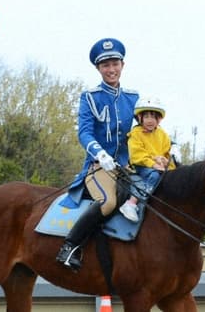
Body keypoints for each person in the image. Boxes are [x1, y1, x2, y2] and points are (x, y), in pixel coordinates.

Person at [55, 38, 139, 270]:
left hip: (128, 166)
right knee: (108, 202)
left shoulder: (133, 98)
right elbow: (84, 132)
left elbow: (144, 129)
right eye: (105, 65)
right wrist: (100, 154)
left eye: (115, 64)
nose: (111, 69)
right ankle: (69, 246)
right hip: (100, 166)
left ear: (122, 65)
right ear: (98, 68)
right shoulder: (90, 97)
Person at [118, 97, 180, 222]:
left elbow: (167, 153)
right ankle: (131, 203)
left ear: (158, 119)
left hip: (159, 167)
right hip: (141, 165)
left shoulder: (162, 134)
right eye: (146, 117)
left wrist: (167, 163)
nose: (150, 120)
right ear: (140, 118)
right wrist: (153, 163)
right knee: (154, 176)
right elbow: (137, 155)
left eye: (153, 117)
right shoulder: (136, 134)